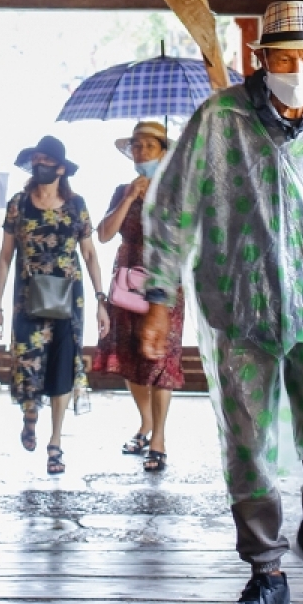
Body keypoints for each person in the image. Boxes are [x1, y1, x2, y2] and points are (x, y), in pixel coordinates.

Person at [141, 0, 303, 604]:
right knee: (247, 441)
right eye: (286, 59)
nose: (300, 70)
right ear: (262, 60)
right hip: (239, 307)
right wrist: (159, 299)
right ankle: (267, 575)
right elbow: (173, 208)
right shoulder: (221, 120)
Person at [0, 134, 110, 475]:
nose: (39, 165)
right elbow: (4, 256)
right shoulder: (18, 203)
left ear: (60, 168)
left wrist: (101, 300)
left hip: (68, 299)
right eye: (36, 160)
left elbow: (89, 254)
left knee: (62, 368)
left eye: (46, 161)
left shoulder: (76, 205)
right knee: (28, 364)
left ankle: (55, 442)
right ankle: (30, 414)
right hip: (27, 299)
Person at [93, 120, 183, 473]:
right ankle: (145, 423)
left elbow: (187, 236)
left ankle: (159, 438)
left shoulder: (176, 190)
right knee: (130, 355)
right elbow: (103, 234)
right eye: (137, 146)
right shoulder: (122, 190)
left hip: (166, 280)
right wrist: (130, 196)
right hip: (128, 279)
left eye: (149, 146)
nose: (142, 152)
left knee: (162, 358)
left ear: (164, 152)